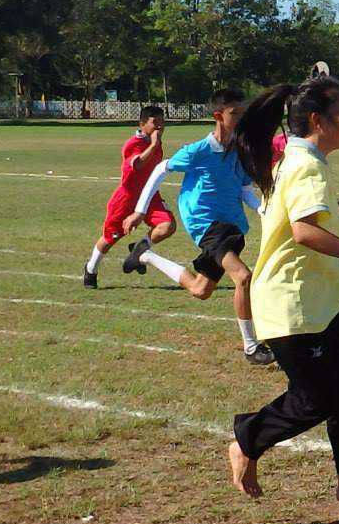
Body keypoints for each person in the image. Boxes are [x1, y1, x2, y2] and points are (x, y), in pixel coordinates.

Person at [223, 77, 339, 506]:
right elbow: (304, 232)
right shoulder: (306, 165)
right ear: (317, 120)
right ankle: (247, 439)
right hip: (293, 304)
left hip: (323, 299)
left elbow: (299, 217)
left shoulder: (300, 160)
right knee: (315, 400)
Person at [125, 88, 273, 366]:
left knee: (200, 290)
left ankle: (146, 255)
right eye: (235, 113)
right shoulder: (198, 151)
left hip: (233, 226)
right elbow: (160, 169)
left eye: (243, 113)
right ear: (218, 116)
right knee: (243, 277)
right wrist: (139, 211)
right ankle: (251, 347)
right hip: (207, 225)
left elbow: (244, 189)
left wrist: (264, 210)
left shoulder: (238, 151)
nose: (241, 118)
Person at [84, 106, 173, 289]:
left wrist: (155, 144)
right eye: (155, 122)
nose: (160, 126)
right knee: (110, 238)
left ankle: (138, 248)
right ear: (142, 124)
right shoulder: (134, 144)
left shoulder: (156, 142)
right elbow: (137, 164)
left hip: (150, 196)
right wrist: (153, 145)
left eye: (162, 122)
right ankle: (91, 269)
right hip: (126, 199)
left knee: (167, 226)